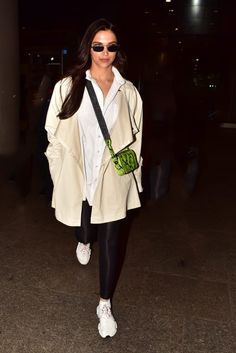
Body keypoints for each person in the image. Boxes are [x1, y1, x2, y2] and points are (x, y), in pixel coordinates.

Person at [44, 18, 143, 338]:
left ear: (118, 49)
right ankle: (84, 238)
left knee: (113, 238)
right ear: (88, 47)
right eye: (98, 46)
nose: (105, 52)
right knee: (85, 227)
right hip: (79, 171)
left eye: (111, 46)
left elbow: (136, 135)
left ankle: (104, 304)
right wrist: (59, 169)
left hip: (111, 174)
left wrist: (133, 175)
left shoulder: (127, 91)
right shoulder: (68, 86)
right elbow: (53, 132)